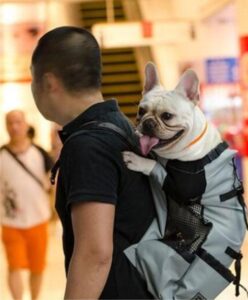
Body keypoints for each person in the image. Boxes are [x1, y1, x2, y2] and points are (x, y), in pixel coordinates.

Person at [30, 26, 156, 299]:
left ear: (49, 82)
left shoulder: (88, 146)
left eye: (33, 78)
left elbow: (95, 254)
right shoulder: (120, 126)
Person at [0, 110, 53, 300]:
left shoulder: (40, 153)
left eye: (18, 122)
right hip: (10, 222)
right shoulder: (2, 155)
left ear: (25, 124)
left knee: (37, 267)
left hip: (38, 219)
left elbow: (52, 182)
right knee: (14, 266)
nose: (14, 127)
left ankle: (34, 298)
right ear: (6, 127)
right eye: (10, 123)